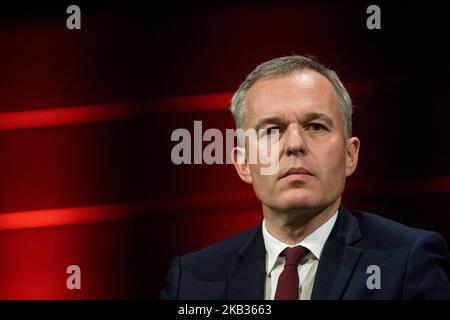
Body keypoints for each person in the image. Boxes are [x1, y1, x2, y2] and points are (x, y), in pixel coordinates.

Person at [159, 55, 450, 299]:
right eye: (272, 130)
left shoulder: (408, 261)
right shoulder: (192, 281)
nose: (295, 144)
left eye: (316, 126)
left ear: (350, 155)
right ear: (244, 163)